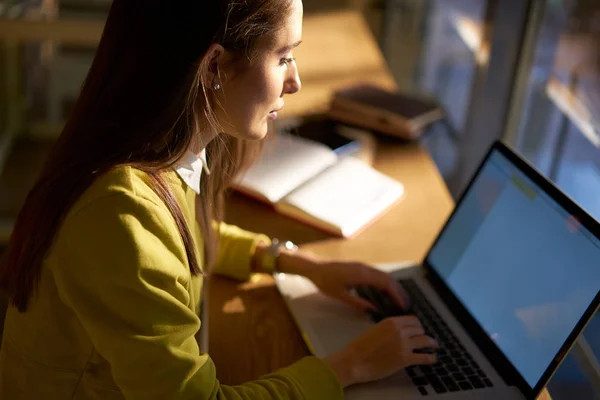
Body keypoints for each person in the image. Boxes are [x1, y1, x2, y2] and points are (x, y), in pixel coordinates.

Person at [0, 0, 438, 398]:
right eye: (283, 56)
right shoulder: (120, 211)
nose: (296, 81)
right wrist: (352, 364)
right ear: (213, 67)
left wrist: (292, 262)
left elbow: (180, 242)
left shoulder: (162, 153)